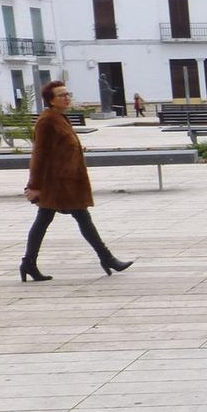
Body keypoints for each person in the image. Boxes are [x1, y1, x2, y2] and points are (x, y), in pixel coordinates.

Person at [20, 80, 132, 282]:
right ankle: (107, 258)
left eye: (67, 94)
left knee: (48, 220)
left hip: (68, 181)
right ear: (51, 100)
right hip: (58, 183)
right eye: (61, 95)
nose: (67, 97)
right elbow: (39, 155)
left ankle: (29, 263)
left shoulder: (59, 118)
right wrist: (34, 186)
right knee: (77, 219)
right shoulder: (47, 121)